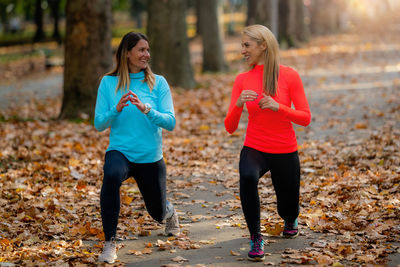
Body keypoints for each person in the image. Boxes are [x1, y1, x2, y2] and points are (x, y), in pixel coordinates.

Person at [224, 25, 311, 262]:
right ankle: (255, 236)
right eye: (242, 45)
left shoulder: (289, 75)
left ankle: (290, 217)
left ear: (263, 45)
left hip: (284, 148)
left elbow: (305, 117)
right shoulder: (242, 79)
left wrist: (279, 107)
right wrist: (239, 104)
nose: (242, 50)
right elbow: (229, 127)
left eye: (246, 45)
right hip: (255, 146)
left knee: (288, 205)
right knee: (248, 177)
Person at [94, 32, 180, 264]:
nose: (146, 55)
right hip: (120, 151)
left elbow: (171, 122)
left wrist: (147, 110)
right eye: (141, 50)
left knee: (157, 213)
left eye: (147, 50)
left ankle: (169, 211)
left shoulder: (158, 82)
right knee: (111, 175)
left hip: (150, 156)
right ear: (127, 53)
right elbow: (99, 124)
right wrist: (116, 109)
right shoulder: (108, 83)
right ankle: (109, 243)